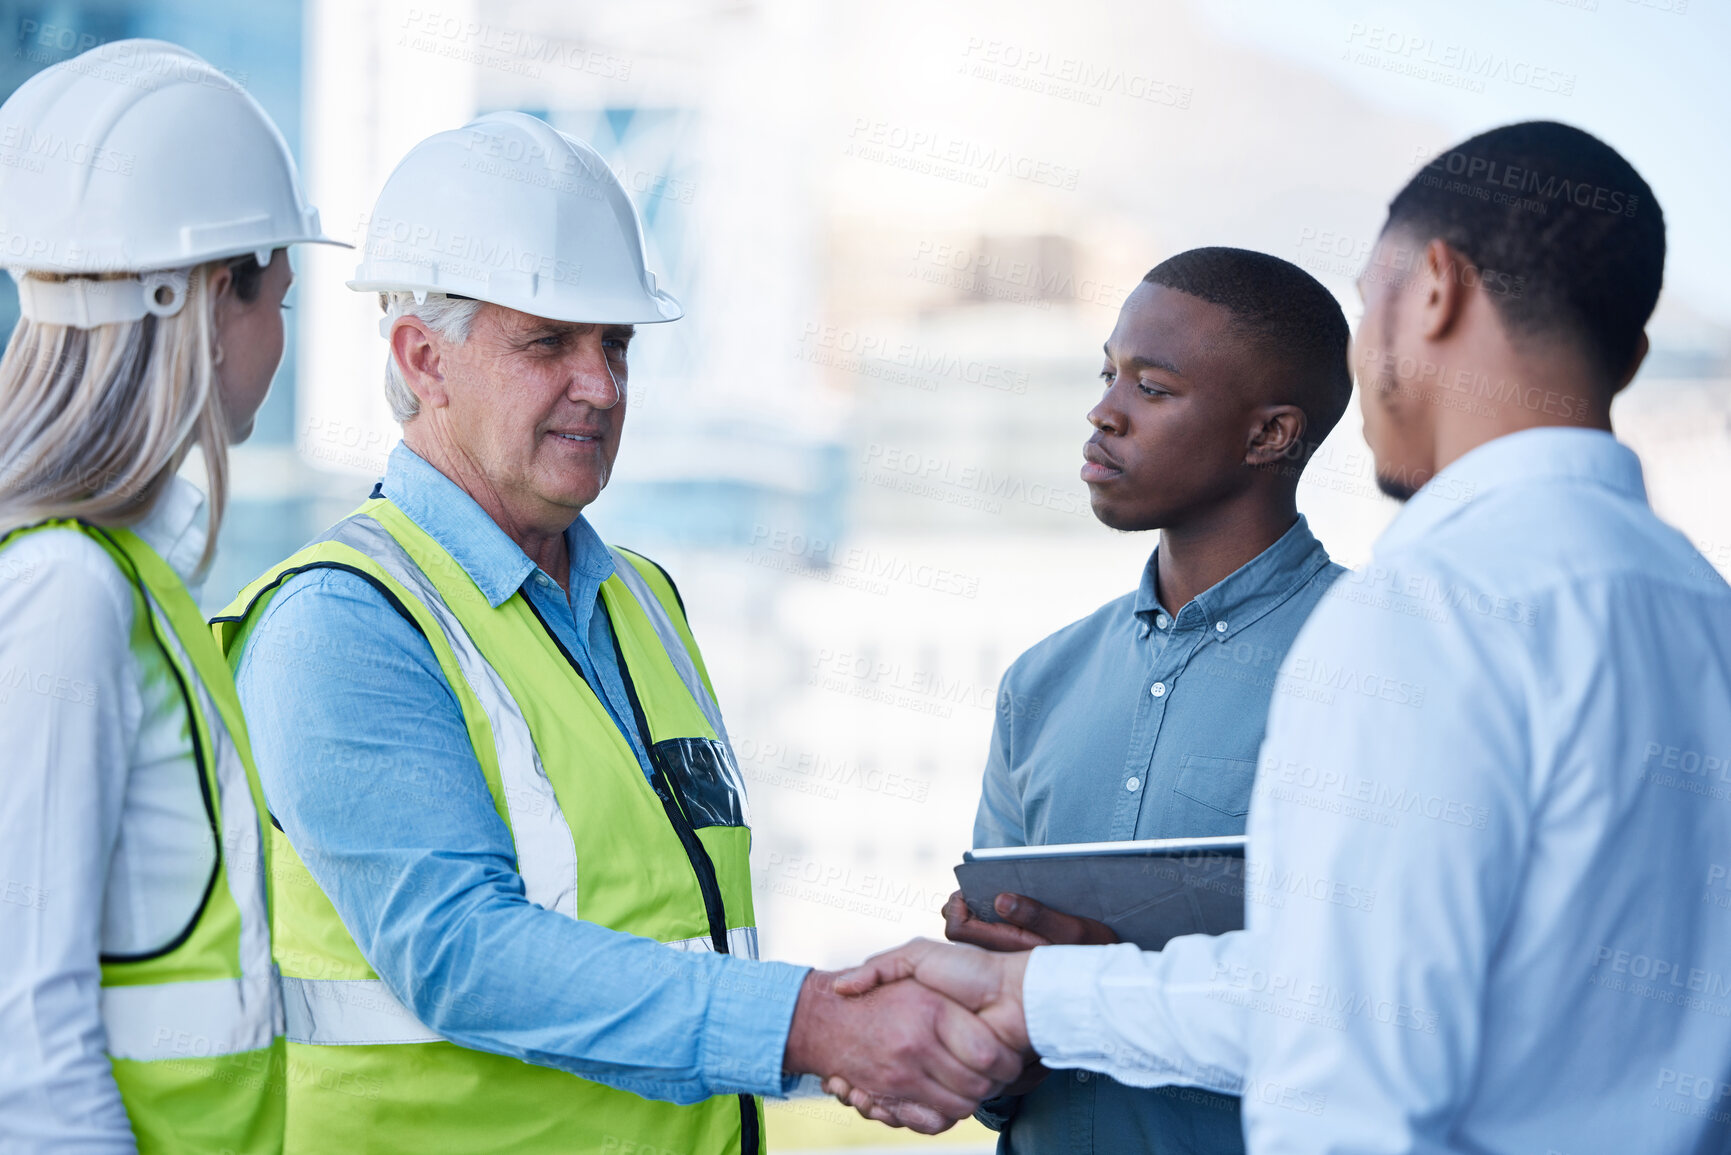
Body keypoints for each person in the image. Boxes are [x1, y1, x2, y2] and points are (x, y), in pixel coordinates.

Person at [833, 120, 1731, 1155]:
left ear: (1434, 288)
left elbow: (1345, 1057)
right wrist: (1036, 991)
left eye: (1368, 301)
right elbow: (1350, 987)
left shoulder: (1422, 610)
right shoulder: (1702, 613)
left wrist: (1035, 990)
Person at [215, 112, 1018, 1155]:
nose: (600, 384)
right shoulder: (343, 622)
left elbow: (673, 924)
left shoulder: (642, 602)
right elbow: (461, 952)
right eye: (550, 342)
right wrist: (814, 1022)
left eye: (617, 343)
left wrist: (889, 995)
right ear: (424, 358)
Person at [0, 40, 343, 1154]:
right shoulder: (68, 595)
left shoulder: (133, 580)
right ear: (206, 295)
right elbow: (29, 1057)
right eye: (275, 296)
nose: (281, 339)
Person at [938, 247, 1351, 1155]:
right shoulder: (1039, 681)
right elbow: (984, 1021)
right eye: (1106, 372)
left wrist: (1099, 992)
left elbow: (1388, 1010)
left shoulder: (1380, 666)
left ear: (1270, 435)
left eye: (1152, 388)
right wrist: (986, 1007)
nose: (1103, 410)